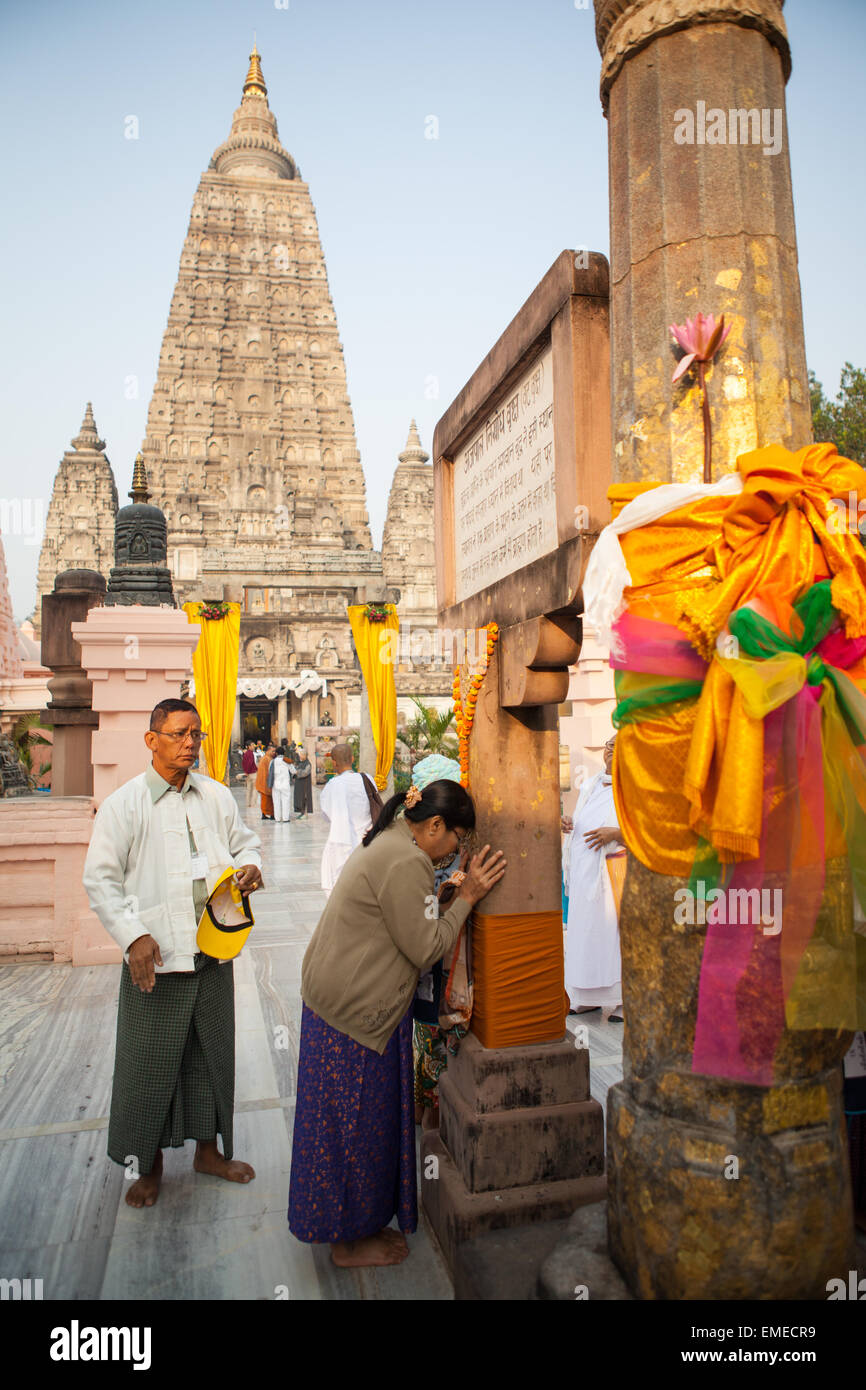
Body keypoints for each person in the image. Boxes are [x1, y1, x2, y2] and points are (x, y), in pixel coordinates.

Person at [288, 780, 506, 1268]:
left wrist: (448, 898)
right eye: (456, 839)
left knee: (350, 1124)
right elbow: (427, 947)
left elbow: (409, 920)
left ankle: (350, 1225)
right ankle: (347, 1242)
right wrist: (468, 896)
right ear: (433, 826)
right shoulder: (407, 860)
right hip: (354, 1012)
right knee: (354, 1126)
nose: (457, 851)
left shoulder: (390, 839)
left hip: (337, 1001)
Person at [82, 698, 263, 1209]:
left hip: (211, 952)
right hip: (155, 962)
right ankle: (150, 1166)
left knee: (211, 1059)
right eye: (180, 734)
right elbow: (100, 881)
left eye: (197, 735)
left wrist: (250, 865)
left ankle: (209, 1153)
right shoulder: (125, 805)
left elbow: (245, 844)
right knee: (149, 1067)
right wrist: (131, 935)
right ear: (152, 740)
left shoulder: (217, 797)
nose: (190, 744)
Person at [408, 754, 470, 1130]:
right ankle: (428, 1117)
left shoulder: (446, 849)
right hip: (430, 962)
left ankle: (426, 1112)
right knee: (431, 1038)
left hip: (440, 963)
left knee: (432, 1038)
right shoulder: (416, 856)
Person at [563, 734, 624, 1022]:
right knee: (585, 933)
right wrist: (571, 824)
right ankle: (587, 998)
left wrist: (615, 834)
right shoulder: (590, 784)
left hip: (616, 871)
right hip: (585, 872)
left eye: (619, 746)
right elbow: (584, 820)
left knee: (614, 934)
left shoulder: (637, 785)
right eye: (609, 746)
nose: (611, 751)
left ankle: (623, 1001)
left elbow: (650, 830)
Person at [318, 743, 373, 895]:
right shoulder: (367, 779)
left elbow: (327, 813)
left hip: (342, 843)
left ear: (334, 763)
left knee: (339, 889)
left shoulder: (333, 784)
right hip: (367, 842)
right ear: (353, 759)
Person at [269, 747, 294, 823]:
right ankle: (285, 818)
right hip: (285, 784)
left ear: (276, 753)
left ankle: (277, 818)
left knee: (276, 801)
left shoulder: (272, 761)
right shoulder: (286, 761)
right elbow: (293, 771)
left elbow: (269, 771)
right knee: (286, 801)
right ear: (284, 753)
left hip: (276, 784)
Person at [292, 745, 313, 818]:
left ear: (305, 755)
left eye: (301, 755)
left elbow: (305, 772)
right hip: (299, 784)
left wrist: (298, 772)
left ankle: (305, 813)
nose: (300, 756)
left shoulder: (308, 764)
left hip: (305, 784)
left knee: (305, 798)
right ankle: (301, 812)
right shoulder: (300, 763)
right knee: (300, 798)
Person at [256, 743, 276, 820]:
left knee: (266, 800)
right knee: (268, 800)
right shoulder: (266, 759)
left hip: (264, 782)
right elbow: (267, 772)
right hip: (265, 782)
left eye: (274, 751)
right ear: (268, 751)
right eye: (272, 751)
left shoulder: (267, 758)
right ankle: (270, 814)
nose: (274, 753)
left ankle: (265, 814)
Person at [242, 741, 257, 808]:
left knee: (248, 789)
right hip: (253, 773)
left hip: (248, 773)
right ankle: (253, 803)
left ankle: (248, 803)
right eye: (252, 745)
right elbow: (250, 763)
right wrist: (248, 771)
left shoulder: (245, 754)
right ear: (249, 746)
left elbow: (243, 763)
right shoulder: (250, 753)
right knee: (254, 789)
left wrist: (246, 772)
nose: (253, 746)